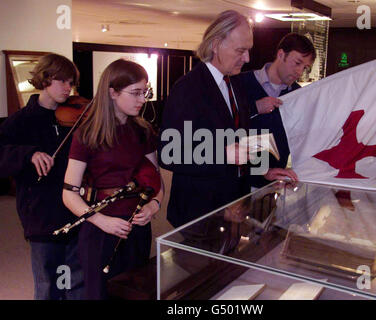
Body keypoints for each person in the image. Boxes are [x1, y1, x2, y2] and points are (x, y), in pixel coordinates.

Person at [62, 59, 164, 300]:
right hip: (100, 230)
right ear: (113, 92)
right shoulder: (86, 134)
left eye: (145, 92)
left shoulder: (143, 130)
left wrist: (154, 205)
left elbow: (155, 180)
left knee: (135, 293)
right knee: (100, 294)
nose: (143, 99)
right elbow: (68, 193)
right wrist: (102, 221)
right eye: (136, 93)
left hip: (137, 228)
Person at [158, 10, 253, 228]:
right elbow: (169, 153)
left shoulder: (235, 82)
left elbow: (238, 138)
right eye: (241, 50)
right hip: (199, 214)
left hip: (233, 206)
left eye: (248, 50)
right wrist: (222, 154)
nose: (247, 58)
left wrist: (265, 170)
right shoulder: (187, 88)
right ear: (216, 45)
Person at [0, 53, 84, 299]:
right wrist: (28, 154)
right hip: (41, 212)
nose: (68, 89)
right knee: (48, 282)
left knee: (75, 278)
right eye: (62, 81)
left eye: (71, 82)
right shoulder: (21, 121)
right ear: (45, 80)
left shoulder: (76, 117)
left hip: (75, 207)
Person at [237, 33, 316, 188]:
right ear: (281, 54)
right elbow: (223, 127)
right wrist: (254, 108)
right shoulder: (240, 83)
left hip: (275, 185)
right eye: (297, 63)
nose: (300, 72)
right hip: (238, 184)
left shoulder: (297, 95)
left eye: (305, 67)